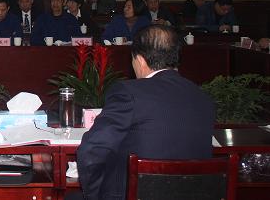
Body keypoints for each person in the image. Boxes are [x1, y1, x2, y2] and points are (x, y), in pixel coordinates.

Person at [76, 24, 215, 200]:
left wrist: (95, 195)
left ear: (140, 60)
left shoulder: (128, 92)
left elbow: (92, 150)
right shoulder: (203, 98)